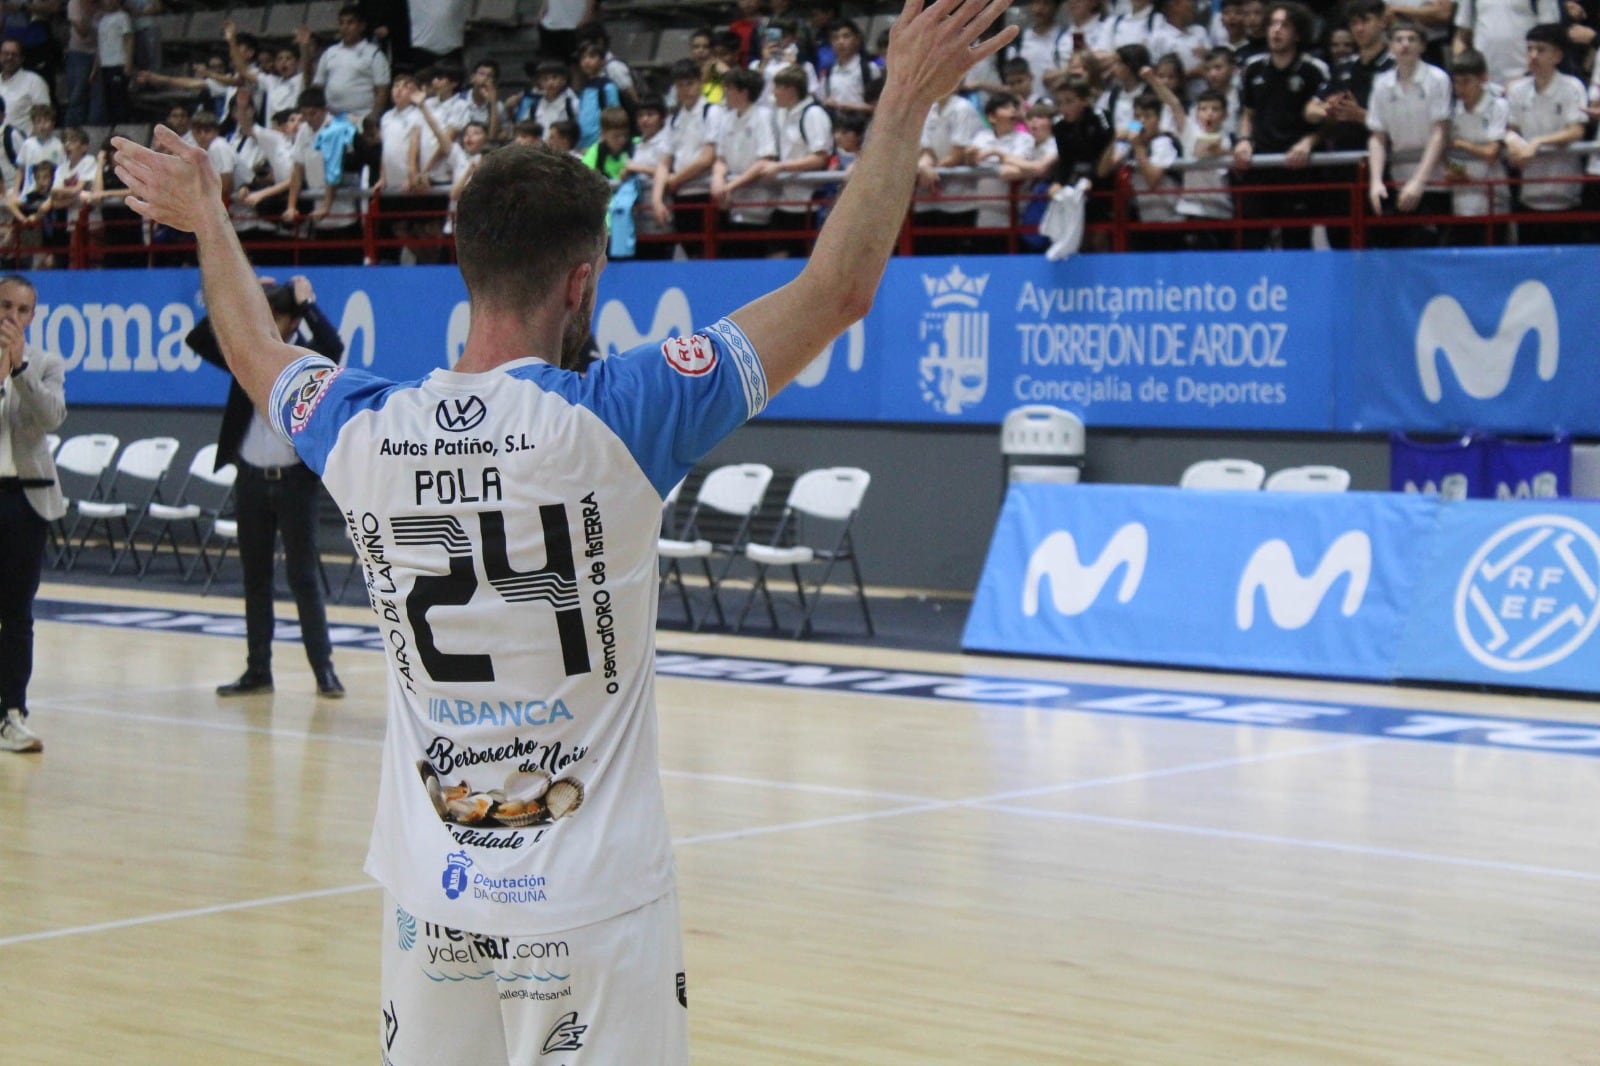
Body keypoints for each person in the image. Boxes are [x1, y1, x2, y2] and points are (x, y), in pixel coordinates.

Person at [108, 0, 1016, 1058]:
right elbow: (838, 287)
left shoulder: (368, 431)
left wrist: (210, 218)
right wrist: (902, 102)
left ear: (466, 265)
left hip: (430, 896)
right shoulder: (620, 416)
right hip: (591, 902)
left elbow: (253, 346)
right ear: (583, 279)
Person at [184, 275, 345, 699]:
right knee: (255, 579)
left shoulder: (305, 360)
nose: (268, 323)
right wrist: (239, 291)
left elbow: (335, 347)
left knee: (303, 577)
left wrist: (308, 303)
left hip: (295, 482)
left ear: (292, 322)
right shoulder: (244, 357)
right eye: (264, 313)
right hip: (252, 478)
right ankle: (258, 669)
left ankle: (323, 669)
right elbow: (199, 337)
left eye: (277, 315)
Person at [0, 274, 65, 753]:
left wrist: (19, 370)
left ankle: (12, 712)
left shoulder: (44, 364)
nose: (12, 317)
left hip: (26, 498)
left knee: (18, 612)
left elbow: (51, 419)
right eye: (5, 306)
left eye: (22, 311)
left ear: (33, 317)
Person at [1365, 18, 1451, 245]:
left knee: (1433, 248)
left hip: (1435, 180)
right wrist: (1375, 182)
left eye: (1412, 40)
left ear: (1422, 46)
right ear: (1391, 46)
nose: (1405, 45)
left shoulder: (1438, 79)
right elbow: (1377, 136)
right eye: (1399, 40)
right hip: (1397, 179)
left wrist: (1419, 182)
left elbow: (1439, 132)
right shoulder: (1382, 83)